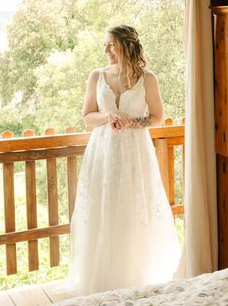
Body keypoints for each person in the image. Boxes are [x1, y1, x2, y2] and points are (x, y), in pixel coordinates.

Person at [69, 24, 180, 294]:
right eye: (104, 44)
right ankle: (103, 280)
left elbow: (156, 117)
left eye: (110, 44)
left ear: (125, 45)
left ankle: (135, 276)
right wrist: (109, 117)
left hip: (134, 151)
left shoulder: (147, 78)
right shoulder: (97, 76)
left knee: (133, 206)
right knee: (103, 206)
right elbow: (86, 119)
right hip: (103, 150)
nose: (105, 49)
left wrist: (131, 121)